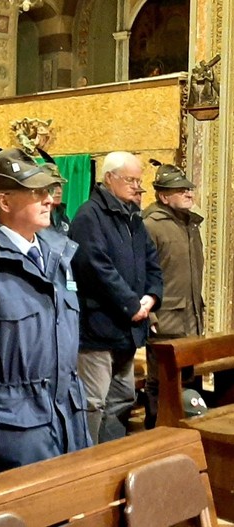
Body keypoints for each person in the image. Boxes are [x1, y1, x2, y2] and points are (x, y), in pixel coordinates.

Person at [0, 148, 91, 477]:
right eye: (37, 193)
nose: (49, 199)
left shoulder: (58, 254)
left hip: (68, 412)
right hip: (13, 423)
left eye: (48, 191)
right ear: (5, 202)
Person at [70, 151, 163, 444]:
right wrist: (130, 303)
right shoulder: (89, 216)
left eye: (139, 180)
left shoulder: (133, 216)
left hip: (127, 327)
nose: (137, 186)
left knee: (122, 397)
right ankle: (86, 464)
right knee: (93, 401)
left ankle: (111, 458)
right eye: (131, 179)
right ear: (109, 178)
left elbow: (151, 260)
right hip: (98, 328)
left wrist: (151, 296)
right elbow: (94, 267)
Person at [142, 163, 204, 428]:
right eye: (181, 190)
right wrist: (150, 314)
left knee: (188, 378)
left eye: (188, 188)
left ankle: (185, 433)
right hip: (165, 319)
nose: (189, 194)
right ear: (163, 196)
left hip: (191, 316)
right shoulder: (150, 225)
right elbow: (140, 272)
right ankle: (156, 433)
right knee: (161, 380)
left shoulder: (190, 224)